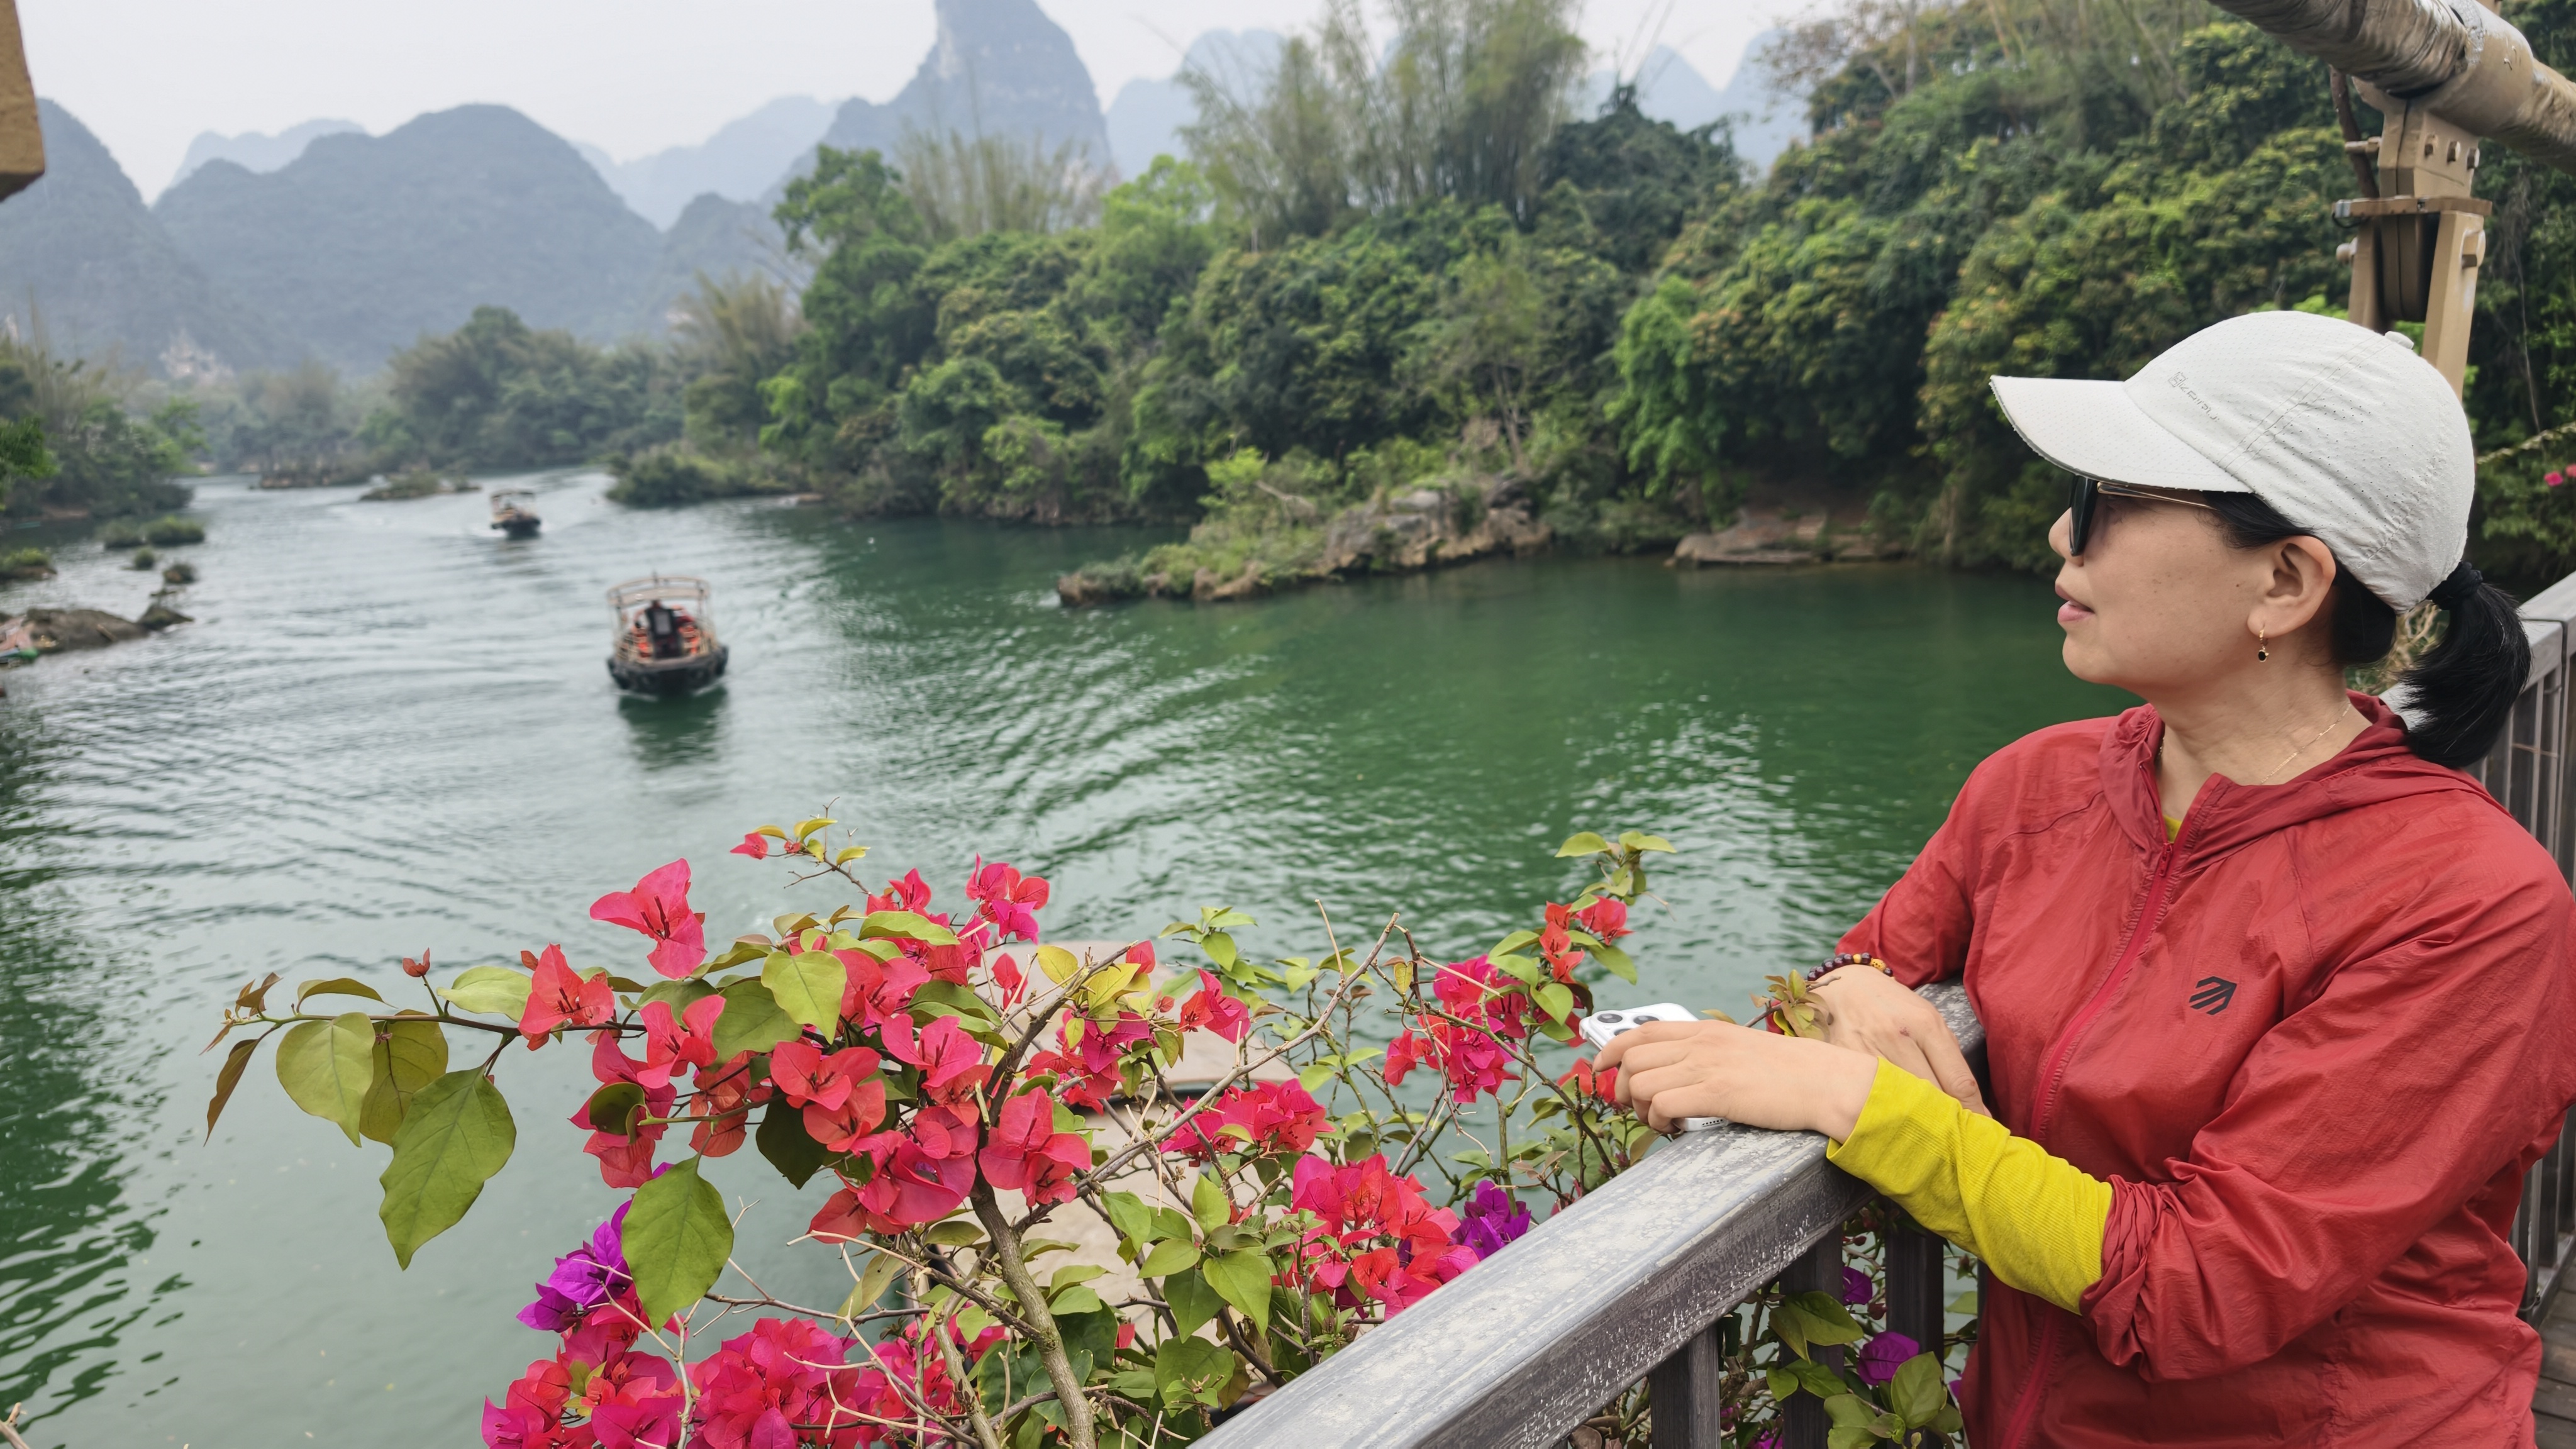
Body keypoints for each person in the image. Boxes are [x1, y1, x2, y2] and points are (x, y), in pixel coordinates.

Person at [1594, 310, 2576, 1446]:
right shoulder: (2038, 786)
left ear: (2285, 580)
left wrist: (1855, 1104)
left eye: (2109, 499)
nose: (2064, 531)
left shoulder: (2468, 904)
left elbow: (2202, 1284)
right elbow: (1873, 951)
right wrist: (1854, 983)